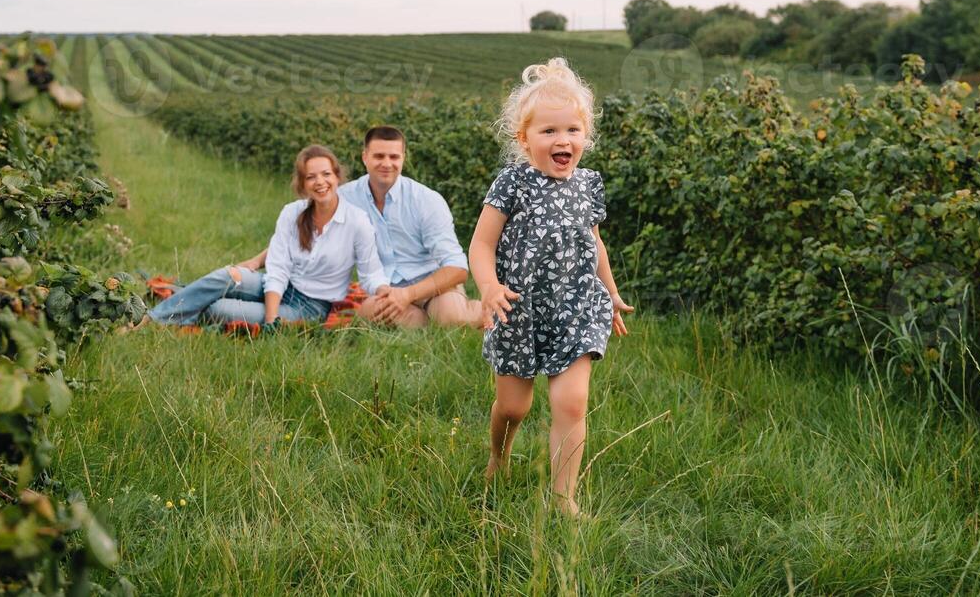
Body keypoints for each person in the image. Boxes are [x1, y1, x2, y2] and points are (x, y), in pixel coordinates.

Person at [468, 58, 634, 516]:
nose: (563, 140)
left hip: (578, 306)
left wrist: (612, 293)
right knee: (514, 407)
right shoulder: (513, 182)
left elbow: (595, 244)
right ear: (524, 140)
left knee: (571, 400)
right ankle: (498, 458)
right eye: (549, 132)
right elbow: (481, 244)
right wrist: (488, 286)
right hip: (518, 309)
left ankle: (563, 499)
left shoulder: (588, 185)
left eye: (573, 130)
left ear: (585, 136)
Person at [145, 145, 388, 327]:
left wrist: (386, 291)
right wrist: (271, 317)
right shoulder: (292, 212)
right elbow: (277, 270)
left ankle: (183, 300)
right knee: (228, 276)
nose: (320, 182)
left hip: (309, 308)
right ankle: (150, 320)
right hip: (276, 288)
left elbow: (371, 273)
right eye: (311, 177)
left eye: (326, 174)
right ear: (302, 184)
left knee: (218, 309)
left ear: (337, 177)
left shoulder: (357, 221)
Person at [342, 125, 481, 329]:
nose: (387, 164)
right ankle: (422, 323)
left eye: (394, 157)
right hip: (385, 290)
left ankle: (488, 311)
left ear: (403, 158)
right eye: (379, 156)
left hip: (434, 287)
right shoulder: (345, 198)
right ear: (365, 157)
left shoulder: (426, 200)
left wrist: (407, 294)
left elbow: (458, 269)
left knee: (450, 316)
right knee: (371, 313)